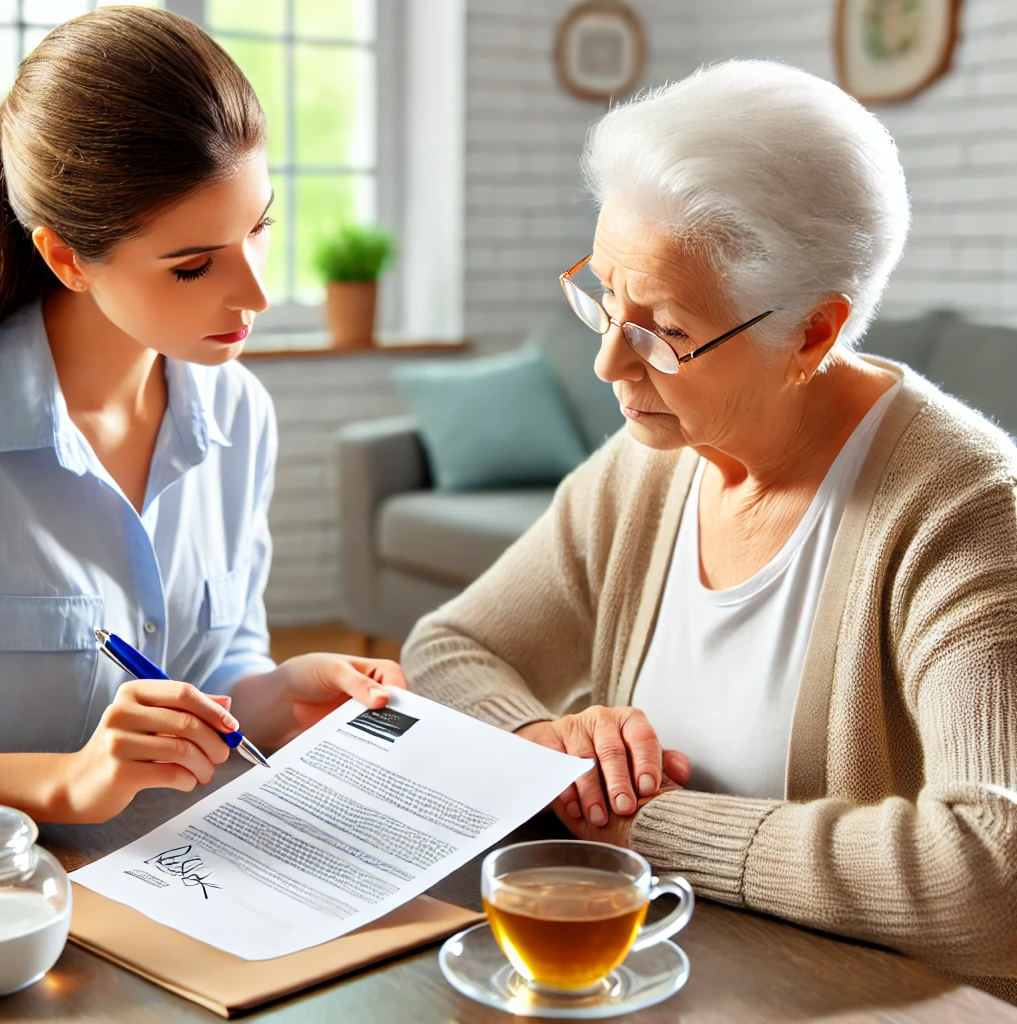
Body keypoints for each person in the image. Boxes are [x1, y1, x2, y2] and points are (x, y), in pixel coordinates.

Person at [401, 60, 1017, 998]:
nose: (610, 358)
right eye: (604, 296)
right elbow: (449, 645)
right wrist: (544, 747)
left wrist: (640, 822)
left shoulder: (964, 510)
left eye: (664, 330)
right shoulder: (652, 460)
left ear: (813, 332)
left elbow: (988, 869)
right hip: (652, 980)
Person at [0, 7, 404, 825]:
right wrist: (70, 782)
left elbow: (224, 669)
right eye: (192, 267)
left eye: (260, 228)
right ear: (67, 259)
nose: (255, 293)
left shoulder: (237, 413)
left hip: (193, 877)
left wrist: (285, 692)